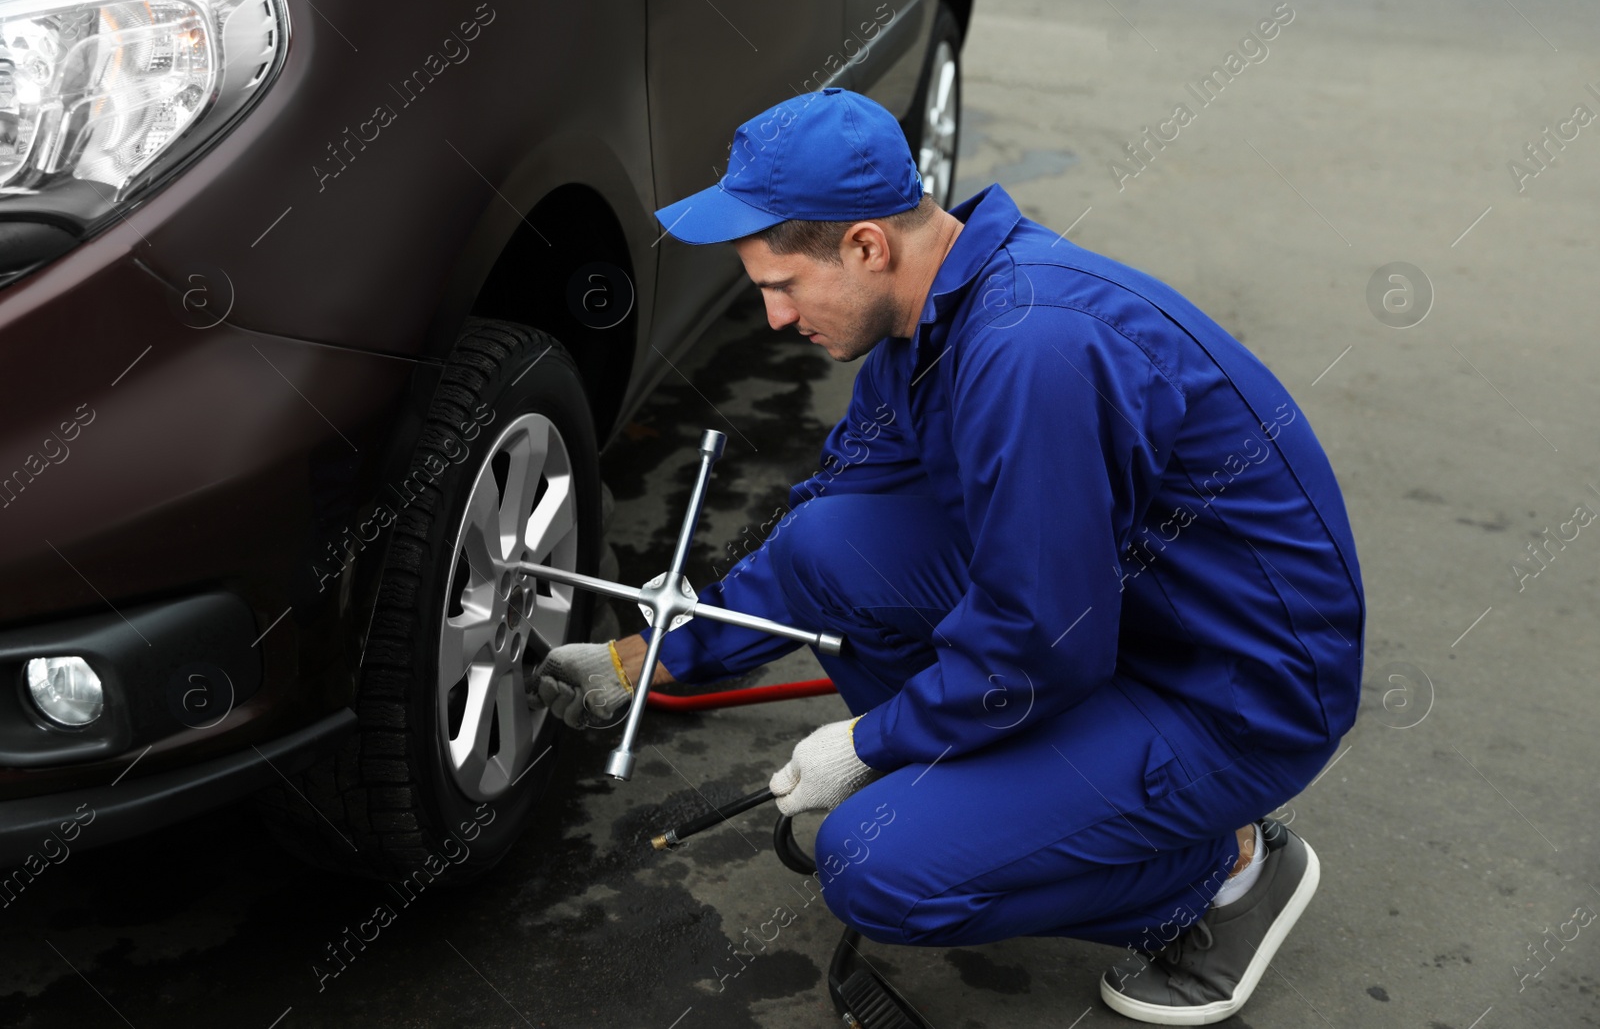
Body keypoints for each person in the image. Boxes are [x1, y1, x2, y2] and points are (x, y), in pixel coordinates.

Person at [529, 87, 1364, 1024]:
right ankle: (1016, 802)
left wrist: (867, 742)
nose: (769, 317)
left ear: (865, 246)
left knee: (872, 866)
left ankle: (1227, 873)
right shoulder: (929, 317)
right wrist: (650, 656)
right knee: (833, 540)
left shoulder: (1027, 350)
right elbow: (831, 527)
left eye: (780, 286)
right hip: (1129, 614)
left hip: (1234, 690)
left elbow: (1042, 640)